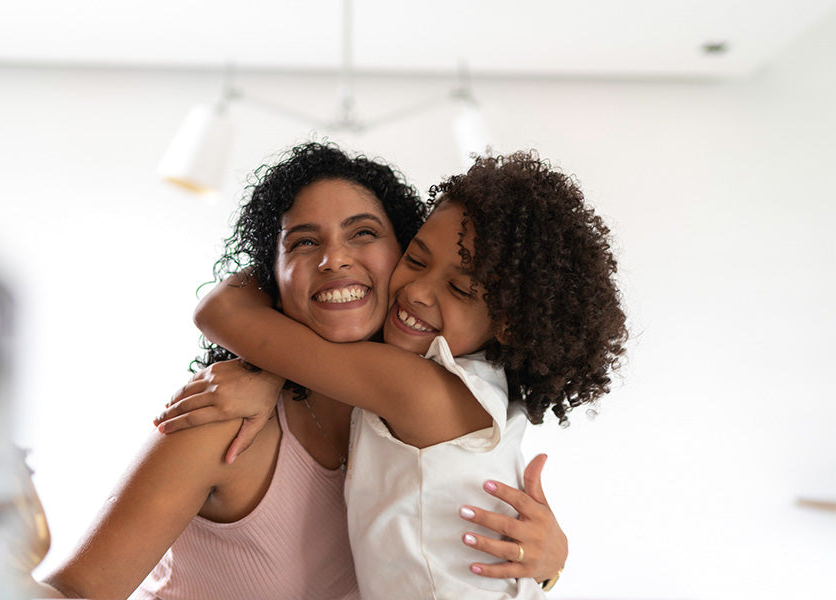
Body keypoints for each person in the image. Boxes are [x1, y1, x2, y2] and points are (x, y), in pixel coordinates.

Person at [35, 143, 568, 600]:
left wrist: (551, 564)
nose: (334, 258)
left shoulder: (419, 432)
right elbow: (74, 592)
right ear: (272, 277)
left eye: (362, 233)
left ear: (399, 253)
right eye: (304, 242)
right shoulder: (226, 421)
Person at [170, 150, 626, 598]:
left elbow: (220, 311)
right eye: (417, 259)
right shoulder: (477, 387)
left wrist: (272, 339)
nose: (418, 292)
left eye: (459, 288)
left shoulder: (420, 390)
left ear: (508, 322)